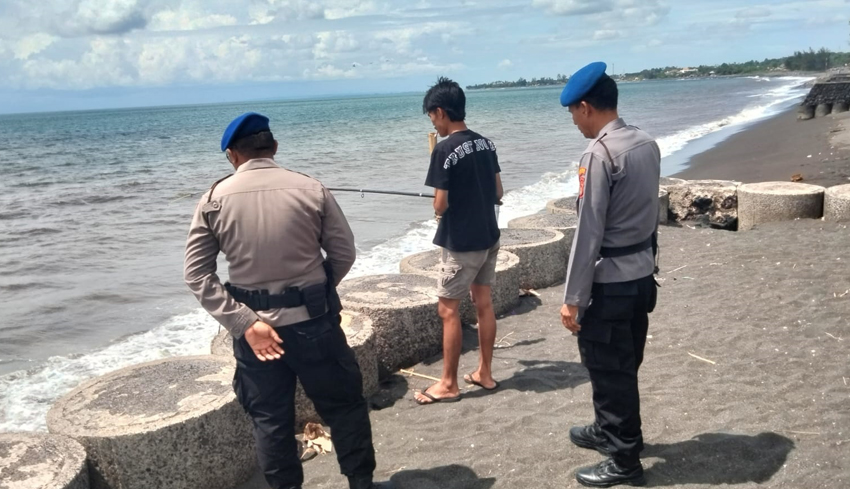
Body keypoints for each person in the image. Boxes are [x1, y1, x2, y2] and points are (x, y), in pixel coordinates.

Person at [183, 113, 382, 489]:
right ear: (273, 148)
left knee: (270, 422)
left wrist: (244, 323)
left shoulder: (212, 201)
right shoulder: (311, 189)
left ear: (232, 155)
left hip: (256, 335)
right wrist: (316, 295)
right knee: (344, 407)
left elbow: (197, 276)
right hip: (315, 324)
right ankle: (361, 483)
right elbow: (344, 253)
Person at [558, 63, 661, 487]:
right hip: (642, 274)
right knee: (623, 362)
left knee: (608, 368)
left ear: (585, 107)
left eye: (573, 113)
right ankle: (607, 431)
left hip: (611, 281)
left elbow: (588, 232)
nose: (574, 122)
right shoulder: (646, 143)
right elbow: (650, 214)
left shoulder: (598, 154)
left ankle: (623, 460)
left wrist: (572, 297)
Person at [414, 77, 504, 405]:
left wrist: (439, 209)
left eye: (432, 118)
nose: (434, 124)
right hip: (489, 236)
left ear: (440, 112)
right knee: (484, 304)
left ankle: (449, 384)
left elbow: (440, 204)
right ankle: (485, 373)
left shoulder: (444, 149)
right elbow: (498, 192)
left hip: (462, 243)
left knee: (447, 310)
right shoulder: (486, 144)